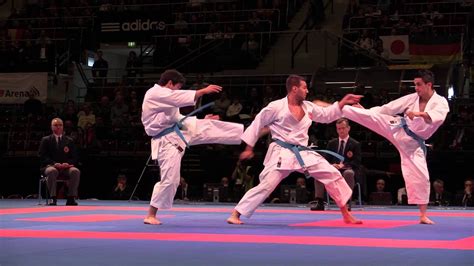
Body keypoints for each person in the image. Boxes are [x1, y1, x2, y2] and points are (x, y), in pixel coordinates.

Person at [226, 74, 363, 225]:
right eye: (304, 88)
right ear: (294, 88)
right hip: (281, 152)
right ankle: (235, 214)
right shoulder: (276, 107)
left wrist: (342, 102)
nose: (307, 91)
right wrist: (249, 147)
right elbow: (257, 123)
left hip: (303, 151)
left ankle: (346, 214)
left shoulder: (308, 107)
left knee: (332, 173)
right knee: (267, 185)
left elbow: (326, 115)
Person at [341, 69, 450, 224]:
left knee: (422, 176)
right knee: (371, 117)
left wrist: (419, 114)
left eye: (419, 85)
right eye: (415, 85)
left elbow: (437, 118)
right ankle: (334, 109)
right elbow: (390, 108)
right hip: (399, 128)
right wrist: (369, 112)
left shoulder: (441, 102)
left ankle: (423, 215)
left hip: (414, 143)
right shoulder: (413, 98)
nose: (416, 88)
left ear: (429, 84)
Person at [142, 69, 244, 225]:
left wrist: (203, 118)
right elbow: (176, 97)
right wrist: (202, 91)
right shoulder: (154, 93)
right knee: (171, 180)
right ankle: (150, 214)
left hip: (176, 129)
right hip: (166, 140)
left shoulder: (166, 98)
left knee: (209, 125)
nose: (176, 90)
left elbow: (176, 117)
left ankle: (248, 134)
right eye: (176, 87)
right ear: (169, 83)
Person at [312, 118, 361, 211]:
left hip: (347, 169)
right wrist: (332, 165)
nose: (341, 131)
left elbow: (357, 162)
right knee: (318, 172)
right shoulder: (332, 143)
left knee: (348, 173)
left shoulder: (355, 144)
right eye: (339, 129)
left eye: (343, 128)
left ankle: (346, 202)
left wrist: (344, 165)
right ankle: (319, 202)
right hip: (333, 169)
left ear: (348, 128)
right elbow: (325, 159)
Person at [38, 118, 80, 206]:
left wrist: (67, 163)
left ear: (63, 127)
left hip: (66, 167)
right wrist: (54, 163)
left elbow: (74, 157)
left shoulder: (69, 140)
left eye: (60, 125)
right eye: (56, 125)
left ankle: (71, 198)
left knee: (75, 171)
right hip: (50, 166)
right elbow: (42, 156)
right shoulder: (46, 140)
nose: (58, 127)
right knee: (52, 171)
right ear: (51, 127)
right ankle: (53, 198)